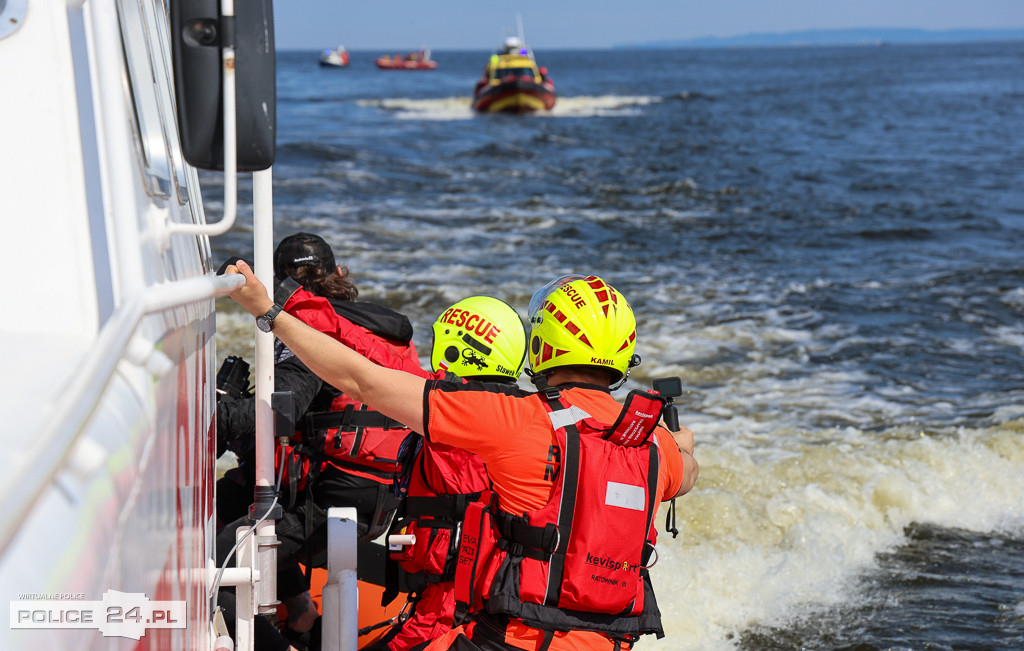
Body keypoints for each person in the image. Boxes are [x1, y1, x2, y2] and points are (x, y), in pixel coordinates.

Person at [224, 264, 699, 651]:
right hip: (613, 642)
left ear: (544, 345)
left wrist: (269, 311)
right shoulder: (653, 444)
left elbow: (362, 380)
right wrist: (678, 439)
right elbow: (688, 467)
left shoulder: (515, 419)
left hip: (514, 640)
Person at [281, 291, 529, 650]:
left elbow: (365, 356)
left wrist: (284, 304)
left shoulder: (442, 407)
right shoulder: (531, 417)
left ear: (455, 348)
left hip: (446, 607)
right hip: (498, 603)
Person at [216, 233, 422, 651]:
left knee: (217, 560)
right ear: (338, 274)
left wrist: (212, 412)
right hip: (375, 494)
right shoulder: (371, 326)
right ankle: (304, 612)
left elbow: (274, 413)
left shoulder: (311, 333)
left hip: (330, 501)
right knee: (235, 493)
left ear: (276, 284)